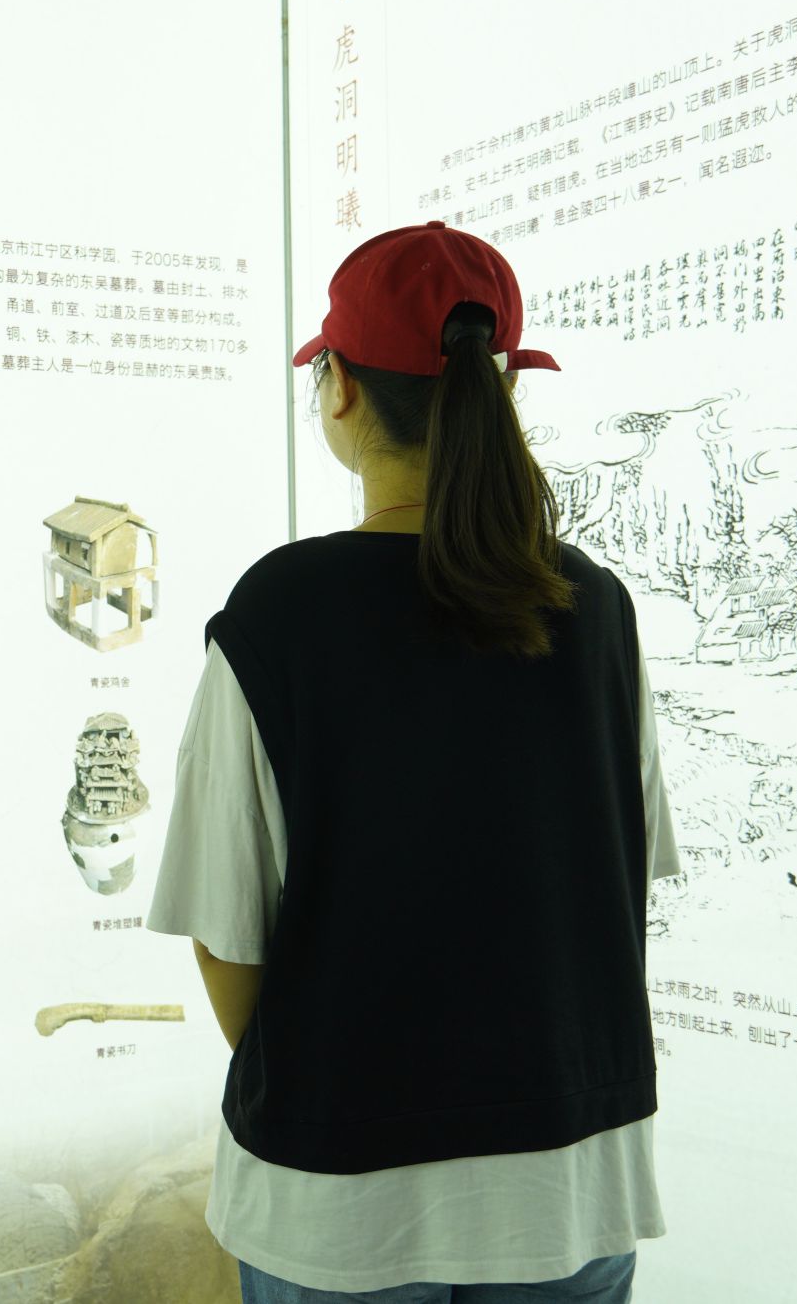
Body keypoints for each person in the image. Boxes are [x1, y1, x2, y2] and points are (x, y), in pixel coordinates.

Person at [146, 221, 679, 1304]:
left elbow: (225, 936)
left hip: (340, 1198)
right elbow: (627, 880)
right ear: (504, 387)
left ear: (338, 388)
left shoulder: (280, 612)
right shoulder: (596, 609)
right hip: (570, 1182)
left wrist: (326, 1063)